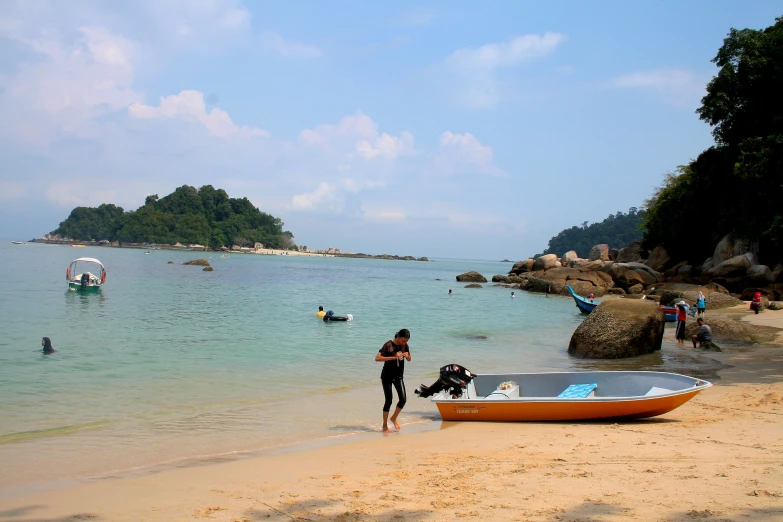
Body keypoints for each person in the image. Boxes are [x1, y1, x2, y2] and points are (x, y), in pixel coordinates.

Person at [375, 329, 411, 434]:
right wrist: (394, 357)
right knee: (389, 400)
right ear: (398, 336)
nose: (404, 343)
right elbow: (377, 358)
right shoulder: (388, 345)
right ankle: (385, 425)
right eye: (403, 340)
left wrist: (406, 356)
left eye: (406, 341)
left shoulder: (405, 345)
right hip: (387, 376)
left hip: (399, 376)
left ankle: (394, 417)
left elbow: (409, 358)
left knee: (403, 399)